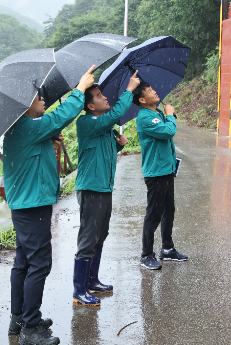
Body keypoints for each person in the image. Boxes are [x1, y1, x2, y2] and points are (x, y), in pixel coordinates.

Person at [4, 66, 95, 345]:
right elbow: (60, 117)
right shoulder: (25, 126)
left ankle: (20, 318)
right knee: (39, 264)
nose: (43, 97)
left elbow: (38, 154)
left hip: (29, 202)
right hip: (32, 206)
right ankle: (30, 329)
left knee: (24, 263)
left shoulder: (26, 128)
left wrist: (52, 147)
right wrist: (79, 91)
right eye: (37, 94)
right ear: (23, 103)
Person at [72, 71, 140, 306]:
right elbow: (117, 113)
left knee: (100, 235)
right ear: (90, 106)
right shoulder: (87, 122)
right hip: (91, 188)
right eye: (99, 96)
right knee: (88, 237)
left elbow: (104, 153)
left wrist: (118, 145)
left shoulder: (104, 128)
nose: (105, 98)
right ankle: (78, 289)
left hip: (103, 188)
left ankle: (92, 281)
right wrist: (129, 89)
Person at [133, 81, 188, 270]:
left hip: (165, 169)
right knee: (154, 213)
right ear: (142, 100)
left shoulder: (155, 113)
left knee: (168, 210)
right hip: (156, 172)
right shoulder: (145, 117)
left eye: (152, 88)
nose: (154, 91)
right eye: (149, 91)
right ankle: (146, 254)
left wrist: (166, 115)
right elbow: (168, 132)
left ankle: (167, 248)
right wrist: (170, 116)